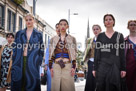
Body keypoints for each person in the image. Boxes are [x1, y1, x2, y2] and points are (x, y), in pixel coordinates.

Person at [93, 14, 126, 91]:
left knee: (114, 87)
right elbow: (97, 53)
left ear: (113, 21)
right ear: (104, 23)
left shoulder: (119, 36)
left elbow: (122, 53)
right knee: (101, 86)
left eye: (110, 19)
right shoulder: (100, 36)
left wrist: (123, 69)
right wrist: (95, 68)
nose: (108, 21)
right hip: (102, 66)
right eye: (106, 20)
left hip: (115, 65)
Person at [11, 13, 44, 91]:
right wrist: (14, 58)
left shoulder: (39, 34)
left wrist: (38, 60)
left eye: (30, 19)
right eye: (26, 20)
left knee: (31, 81)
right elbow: (15, 47)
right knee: (19, 81)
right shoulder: (19, 33)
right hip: (19, 61)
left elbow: (41, 48)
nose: (28, 21)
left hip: (33, 61)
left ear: (34, 20)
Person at [49, 19, 77, 91]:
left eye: (65, 24)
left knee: (67, 88)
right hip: (56, 66)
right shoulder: (53, 39)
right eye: (61, 24)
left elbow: (74, 54)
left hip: (67, 66)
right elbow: (51, 53)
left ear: (67, 26)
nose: (63, 26)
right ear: (58, 26)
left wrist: (73, 67)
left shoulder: (72, 39)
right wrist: (50, 67)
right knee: (55, 88)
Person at [84, 24, 102, 91]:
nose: (95, 31)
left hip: (100, 63)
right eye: (94, 29)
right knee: (90, 81)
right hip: (91, 62)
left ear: (100, 30)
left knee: (99, 81)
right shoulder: (89, 40)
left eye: (97, 29)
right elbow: (87, 51)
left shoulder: (104, 40)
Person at [43, 23, 60, 91]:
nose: (58, 29)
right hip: (51, 65)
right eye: (56, 28)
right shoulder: (51, 40)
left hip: (62, 65)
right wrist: (46, 64)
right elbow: (47, 52)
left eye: (59, 27)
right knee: (50, 84)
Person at [125, 20, 136, 91]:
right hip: (129, 67)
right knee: (129, 85)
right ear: (128, 27)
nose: (133, 26)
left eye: (134, 25)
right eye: (131, 25)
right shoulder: (125, 40)